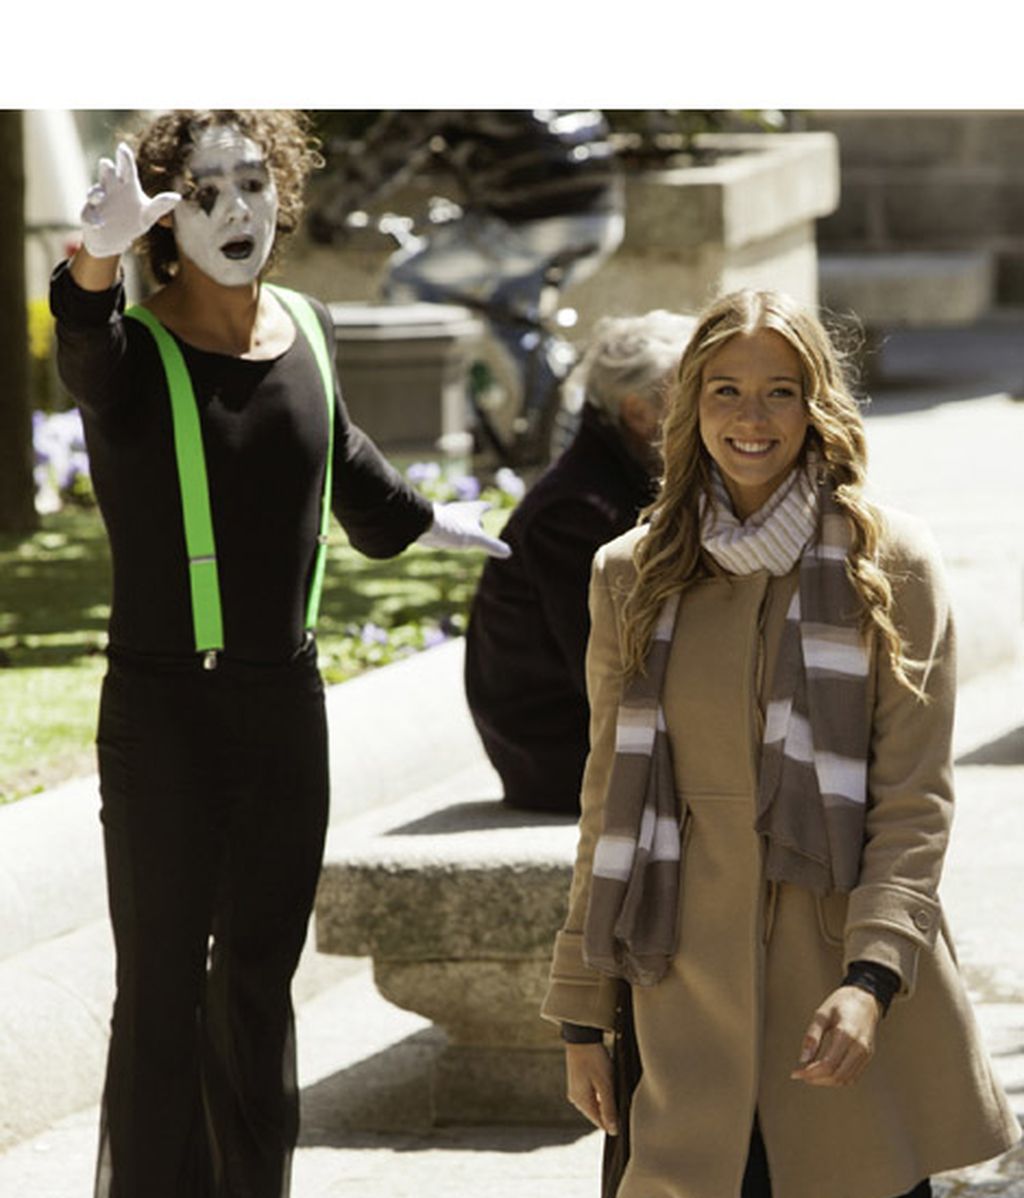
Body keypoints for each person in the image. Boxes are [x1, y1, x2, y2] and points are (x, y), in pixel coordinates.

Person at [51, 109, 507, 1198]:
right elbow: (80, 341)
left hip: (284, 703)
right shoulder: (132, 348)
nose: (237, 209)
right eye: (205, 193)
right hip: (167, 711)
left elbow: (335, 446)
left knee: (256, 979)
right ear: (167, 216)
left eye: (254, 183)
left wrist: (422, 519)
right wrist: (95, 257)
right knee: (163, 986)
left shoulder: (306, 321)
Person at [541, 288, 1020, 1198]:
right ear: (689, 405)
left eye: (780, 392)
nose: (751, 418)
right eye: (725, 390)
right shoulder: (629, 574)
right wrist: (579, 1021)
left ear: (818, 404)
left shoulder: (895, 565)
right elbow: (607, 803)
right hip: (678, 986)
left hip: (837, 984)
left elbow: (915, 799)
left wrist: (872, 979)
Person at [464, 310, 695, 814]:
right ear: (639, 412)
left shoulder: (624, 480)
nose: (716, 407)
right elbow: (607, 671)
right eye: (695, 391)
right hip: (558, 754)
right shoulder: (575, 510)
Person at [307, 110, 625, 452]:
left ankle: (460, 424)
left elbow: (391, 150)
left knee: (405, 280)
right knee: (513, 313)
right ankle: (554, 435)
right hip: (602, 215)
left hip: (527, 216)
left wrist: (331, 212)